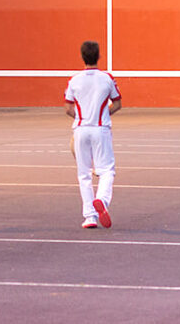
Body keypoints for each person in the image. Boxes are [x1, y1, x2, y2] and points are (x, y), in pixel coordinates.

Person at [64, 40, 121, 229]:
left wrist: (81, 117)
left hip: (81, 130)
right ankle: (102, 201)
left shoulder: (74, 80)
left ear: (82, 57)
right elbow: (118, 103)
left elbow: (68, 108)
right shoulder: (106, 78)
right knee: (107, 170)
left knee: (84, 174)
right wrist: (104, 114)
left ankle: (89, 217)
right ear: (99, 56)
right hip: (101, 129)